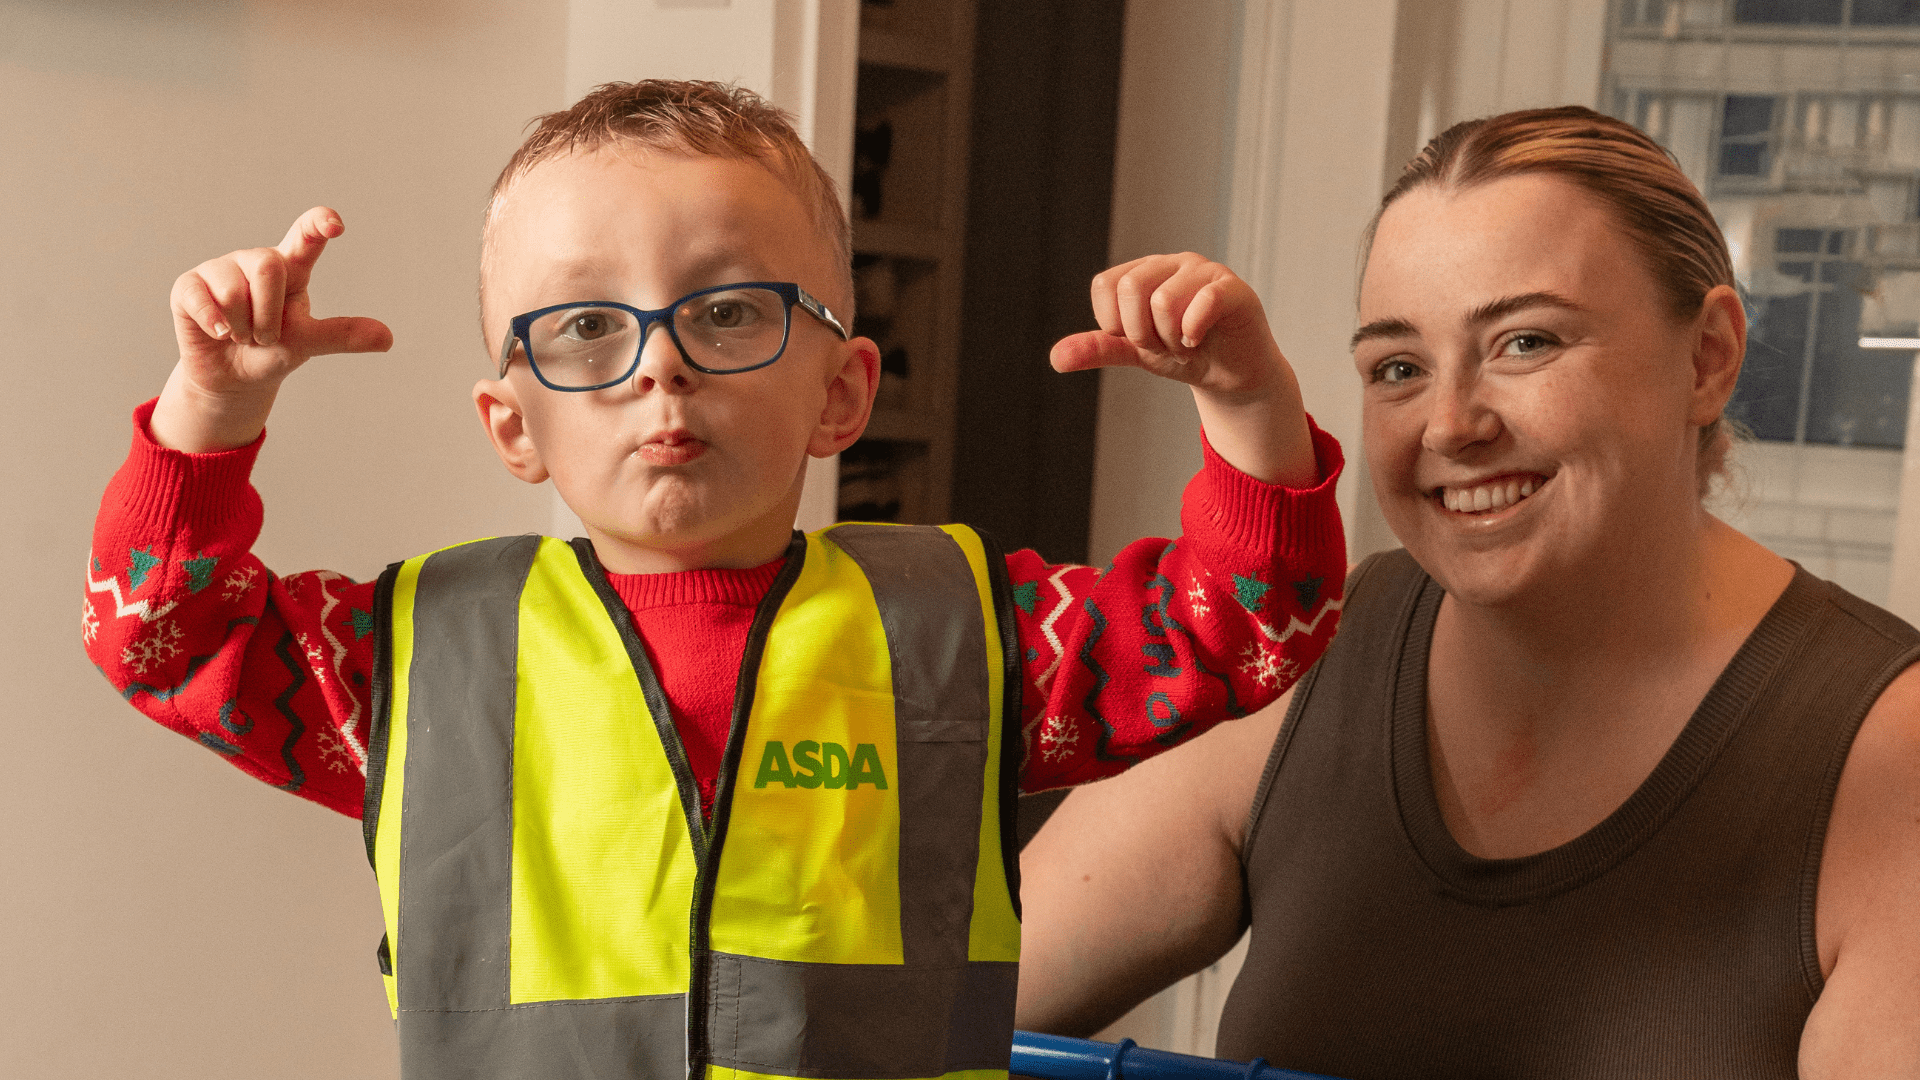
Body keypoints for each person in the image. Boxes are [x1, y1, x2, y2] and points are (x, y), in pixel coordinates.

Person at [82, 81, 1347, 1080]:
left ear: (842, 392)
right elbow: (163, 639)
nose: (660, 367)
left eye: (730, 311)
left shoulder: (970, 638)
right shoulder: (411, 663)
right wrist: (212, 404)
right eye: (585, 325)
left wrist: (1246, 399)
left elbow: (1247, 628)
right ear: (511, 426)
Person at [1014, 106, 1920, 1078]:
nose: (1450, 425)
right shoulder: (1316, 652)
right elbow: (894, 1008)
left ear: (1707, 358)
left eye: (1526, 343)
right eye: (1399, 368)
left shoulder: (1889, 753)